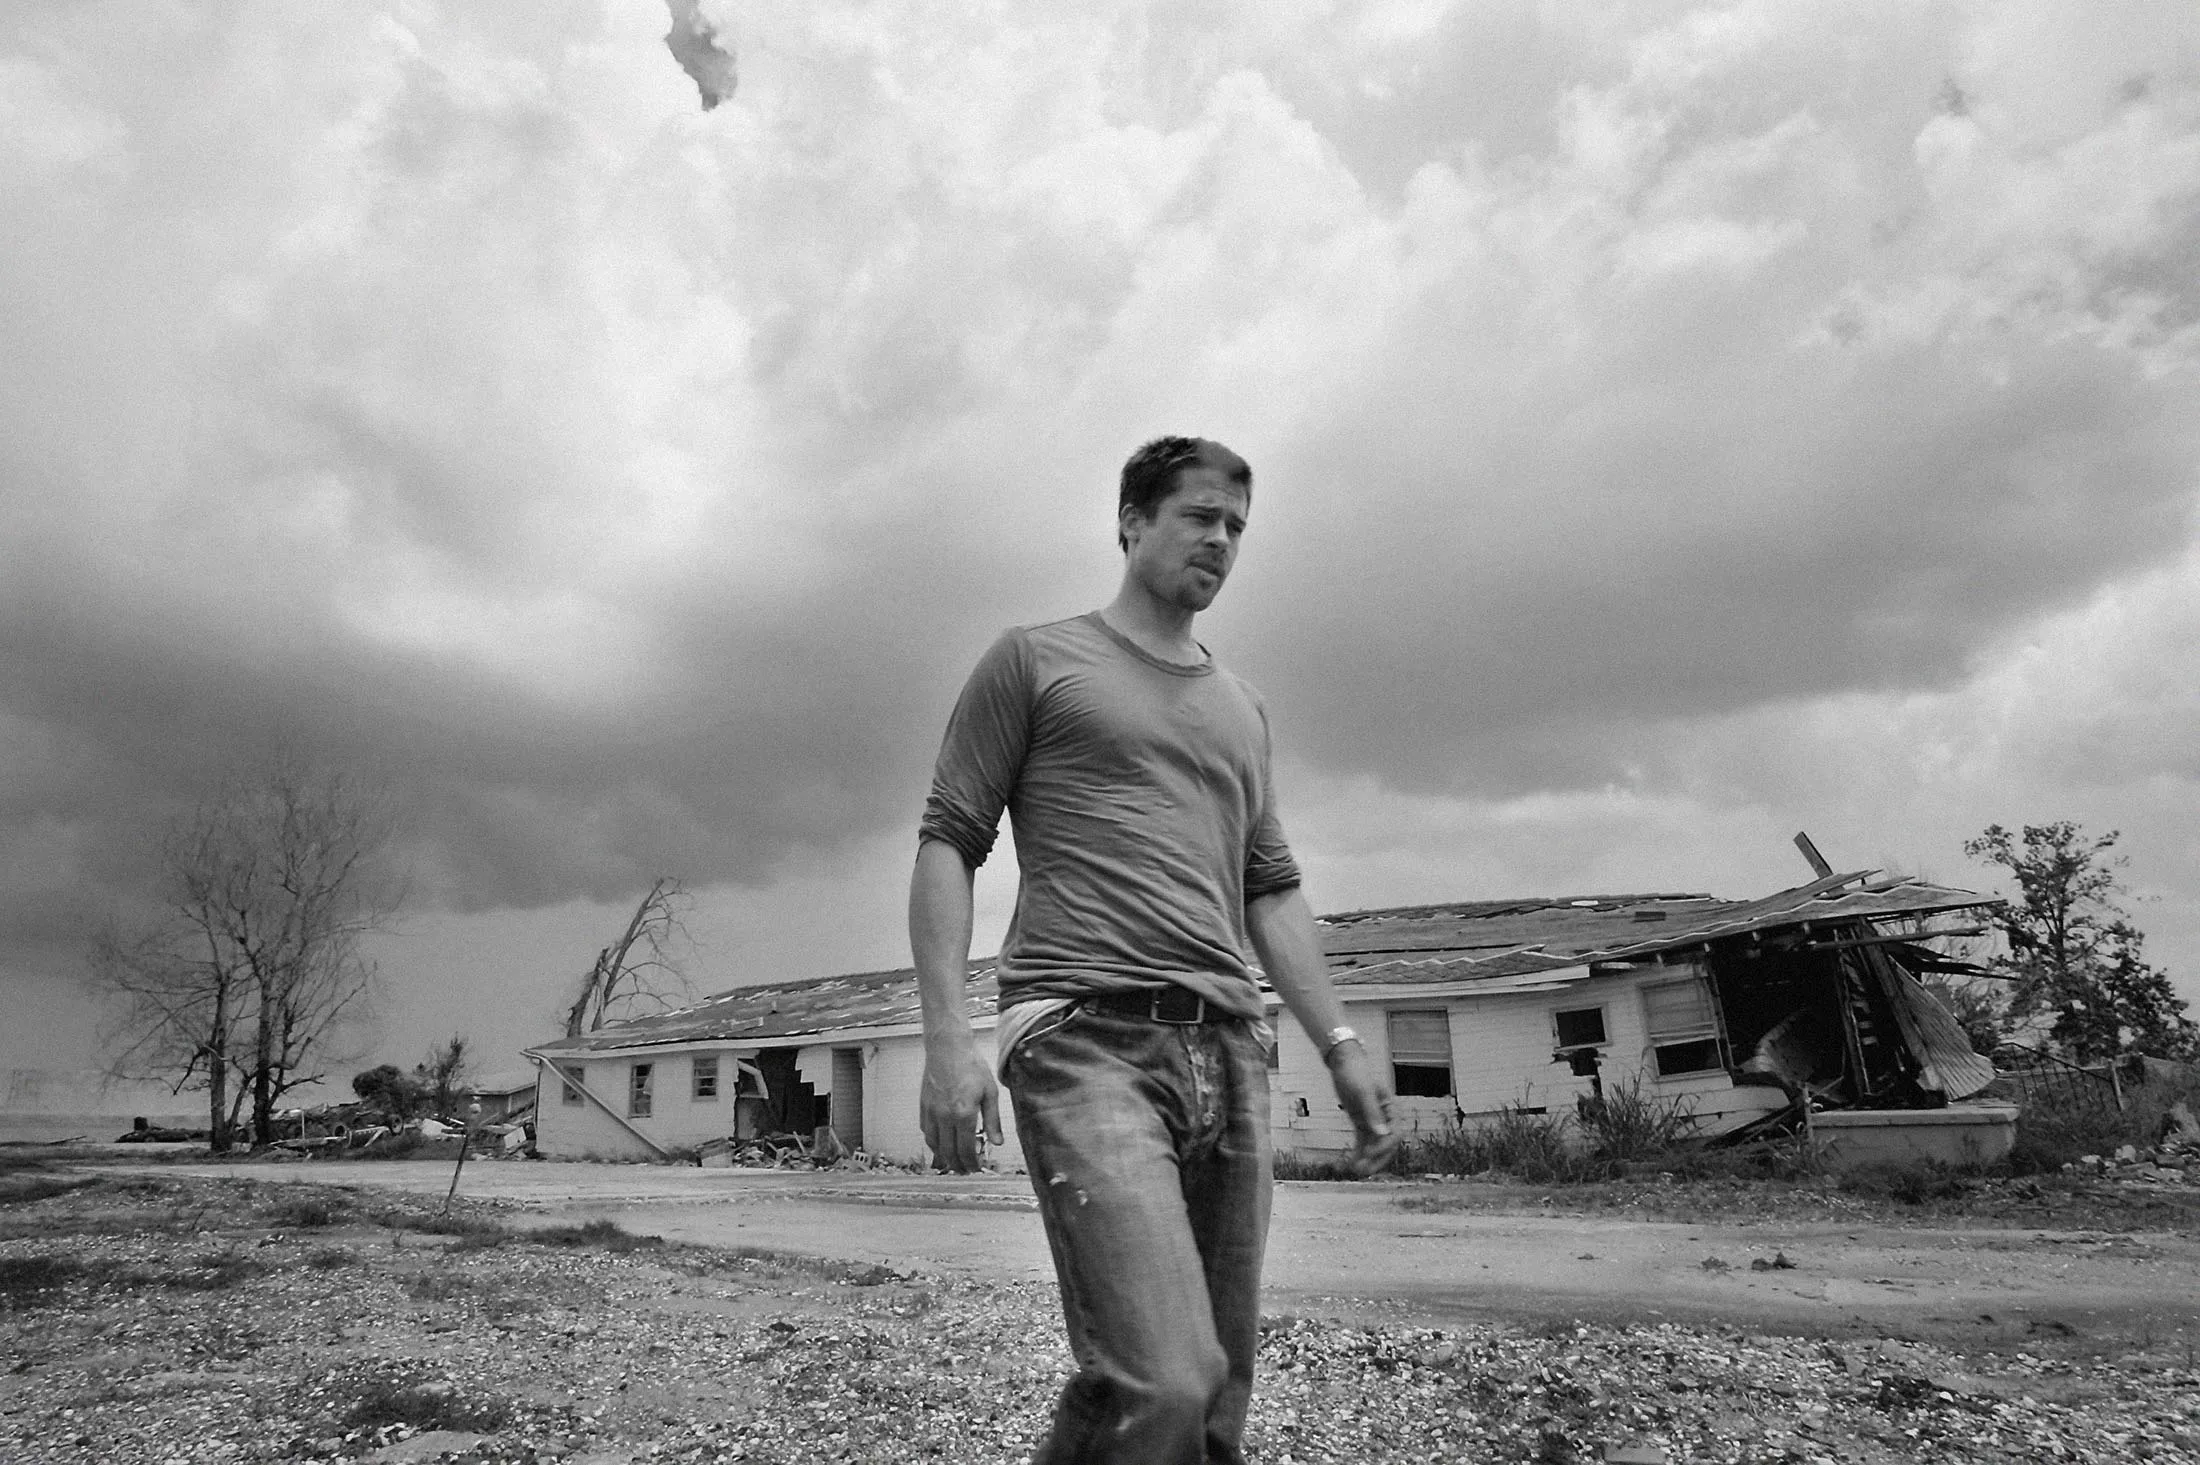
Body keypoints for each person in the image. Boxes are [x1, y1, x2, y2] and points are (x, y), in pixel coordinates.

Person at [910, 436, 1399, 1465]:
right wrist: (948, 1040)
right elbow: (949, 840)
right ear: (1132, 521)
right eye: (1199, 516)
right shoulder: (1037, 659)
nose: (1220, 540)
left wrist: (1342, 1041)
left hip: (1229, 1052)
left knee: (1207, 1397)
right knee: (1166, 1375)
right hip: (1084, 1037)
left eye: (1236, 527)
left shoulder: (1242, 706)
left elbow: (1272, 886)